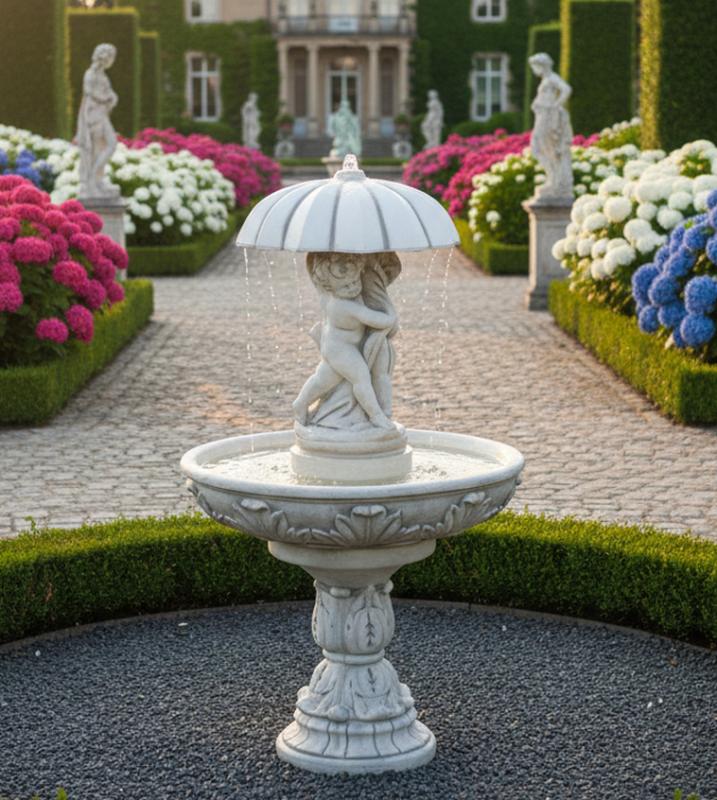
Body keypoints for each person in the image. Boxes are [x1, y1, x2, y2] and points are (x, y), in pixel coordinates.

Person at [293, 252, 399, 430]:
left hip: (334, 347)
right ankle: (376, 416)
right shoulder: (345, 305)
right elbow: (373, 318)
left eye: (355, 281)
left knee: (323, 380)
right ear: (330, 287)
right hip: (341, 348)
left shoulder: (335, 296)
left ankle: (300, 403)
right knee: (361, 377)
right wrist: (390, 317)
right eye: (345, 286)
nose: (352, 289)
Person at [76, 43, 119, 198]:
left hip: (101, 113)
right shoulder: (91, 74)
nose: (112, 60)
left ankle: (96, 178)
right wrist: (106, 98)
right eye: (111, 56)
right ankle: (92, 179)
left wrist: (113, 96)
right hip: (93, 115)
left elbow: (108, 92)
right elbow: (89, 93)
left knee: (106, 145)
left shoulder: (102, 76)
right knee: (102, 146)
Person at [529, 52, 574, 199]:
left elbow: (566, 89)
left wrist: (555, 105)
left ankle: (555, 181)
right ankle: (553, 179)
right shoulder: (546, 79)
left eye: (535, 67)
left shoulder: (552, 78)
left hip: (548, 117)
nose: (534, 70)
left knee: (546, 147)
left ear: (542, 66)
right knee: (538, 146)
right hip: (543, 115)